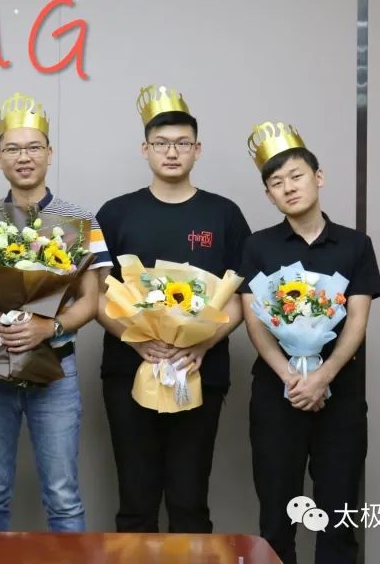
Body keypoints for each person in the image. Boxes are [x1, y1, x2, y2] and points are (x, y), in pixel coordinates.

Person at [95, 85, 250, 533]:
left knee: (189, 500)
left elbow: (239, 296)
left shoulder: (224, 214)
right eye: (161, 143)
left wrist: (202, 344)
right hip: (129, 369)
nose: (172, 152)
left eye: (182, 143)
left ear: (197, 150)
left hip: (200, 370)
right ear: (145, 149)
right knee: (135, 501)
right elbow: (97, 294)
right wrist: (136, 341)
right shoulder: (116, 213)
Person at [240, 122, 380, 564]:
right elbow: (254, 321)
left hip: (340, 395)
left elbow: (357, 319)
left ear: (318, 177)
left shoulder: (355, 245)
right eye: (276, 182)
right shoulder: (257, 246)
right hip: (276, 394)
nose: (288, 187)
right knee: (276, 517)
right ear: (269, 195)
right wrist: (291, 377)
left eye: (296, 176)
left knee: (339, 515)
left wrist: (323, 376)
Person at [0, 93, 110, 532]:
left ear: (50, 154)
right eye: (13, 149)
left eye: (33, 147)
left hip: (57, 370)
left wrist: (50, 327)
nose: (24, 157)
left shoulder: (80, 220)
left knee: (63, 494)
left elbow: (92, 299)